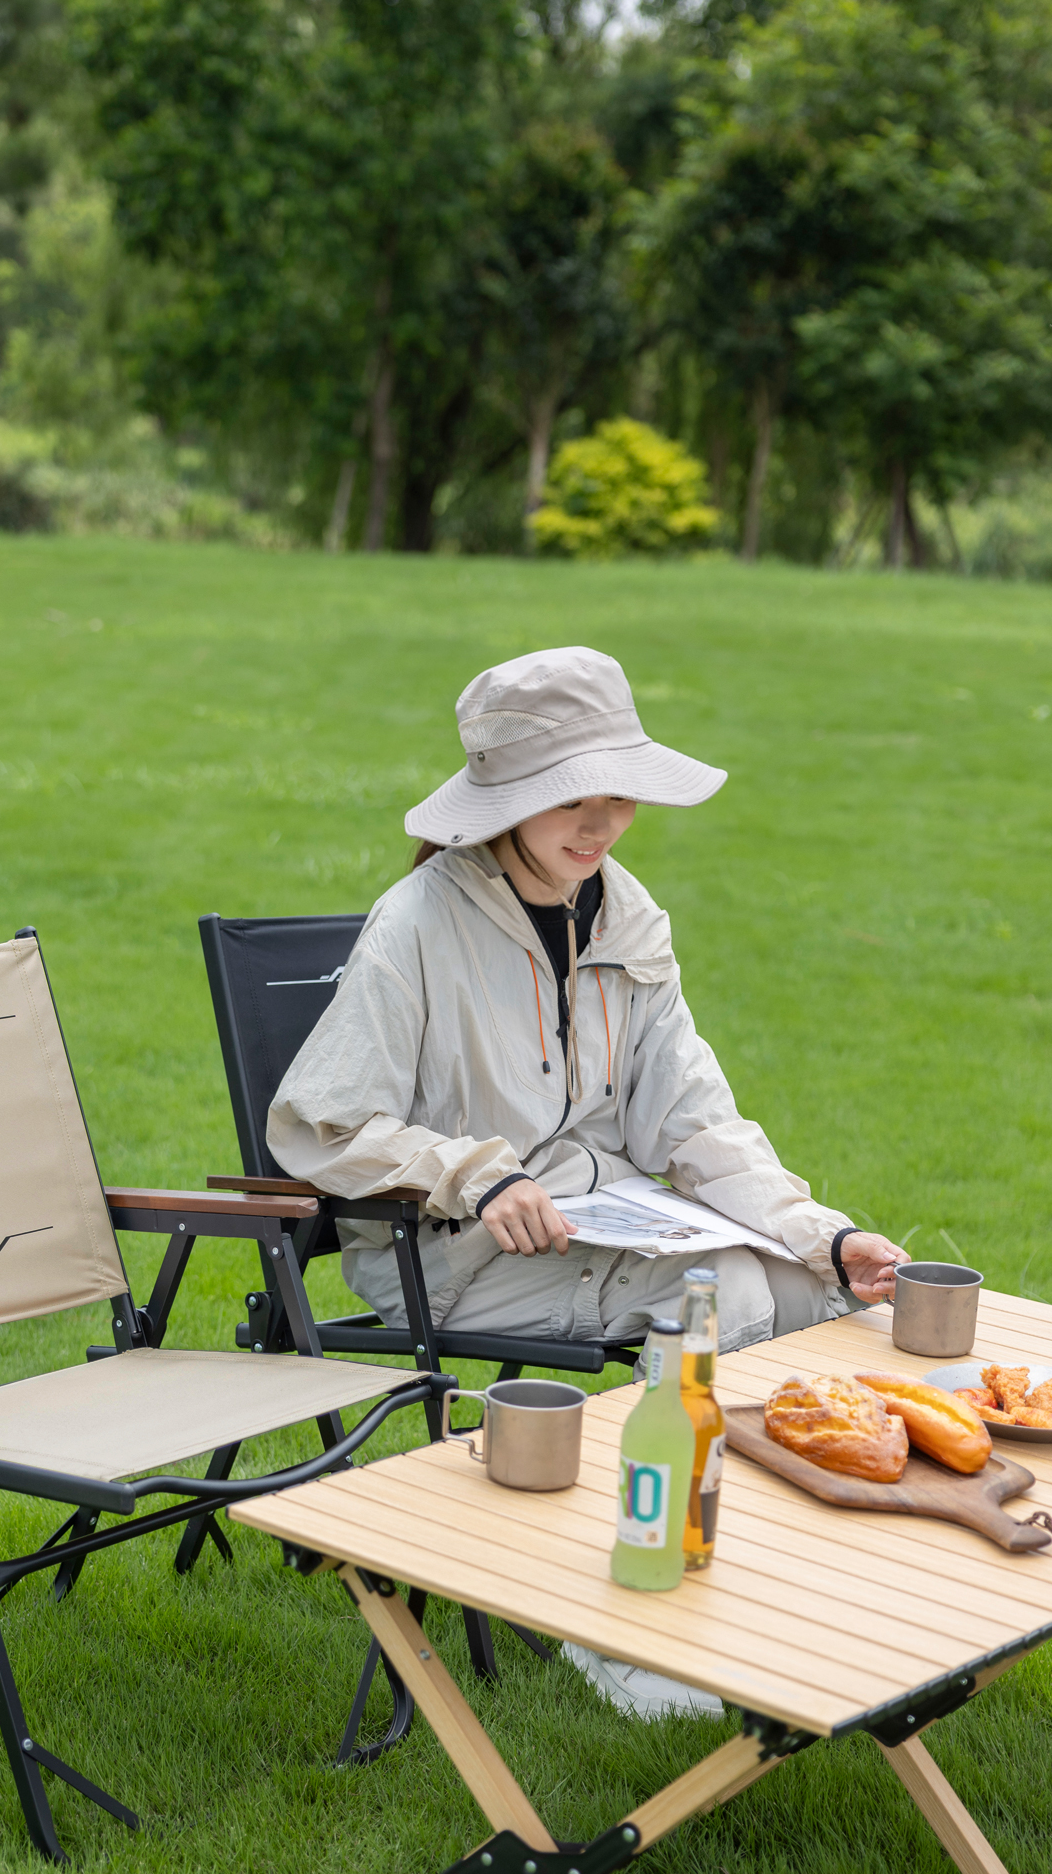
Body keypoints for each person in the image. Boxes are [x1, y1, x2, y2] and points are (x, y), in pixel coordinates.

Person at [267, 645, 910, 1720]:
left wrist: (822, 1234)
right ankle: (625, 1621)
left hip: (602, 1221)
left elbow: (693, 1119)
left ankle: (780, 1580)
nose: (600, 822)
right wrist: (476, 1175)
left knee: (820, 1296)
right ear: (506, 799)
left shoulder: (625, 916)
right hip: (454, 1253)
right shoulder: (417, 924)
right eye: (571, 796)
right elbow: (320, 1122)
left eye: (618, 794)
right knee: (719, 1299)